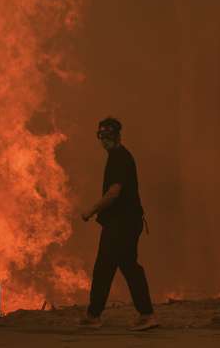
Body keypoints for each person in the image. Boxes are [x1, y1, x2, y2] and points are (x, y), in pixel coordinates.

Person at [80, 117, 158, 331]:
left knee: (111, 267)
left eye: (108, 137)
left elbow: (114, 193)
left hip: (121, 225)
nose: (104, 141)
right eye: (101, 137)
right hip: (123, 223)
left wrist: (91, 210)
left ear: (117, 136)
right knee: (122, 267)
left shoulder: (119, 158)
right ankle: (142, 314)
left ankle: (97, 315)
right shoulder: (117, 156)